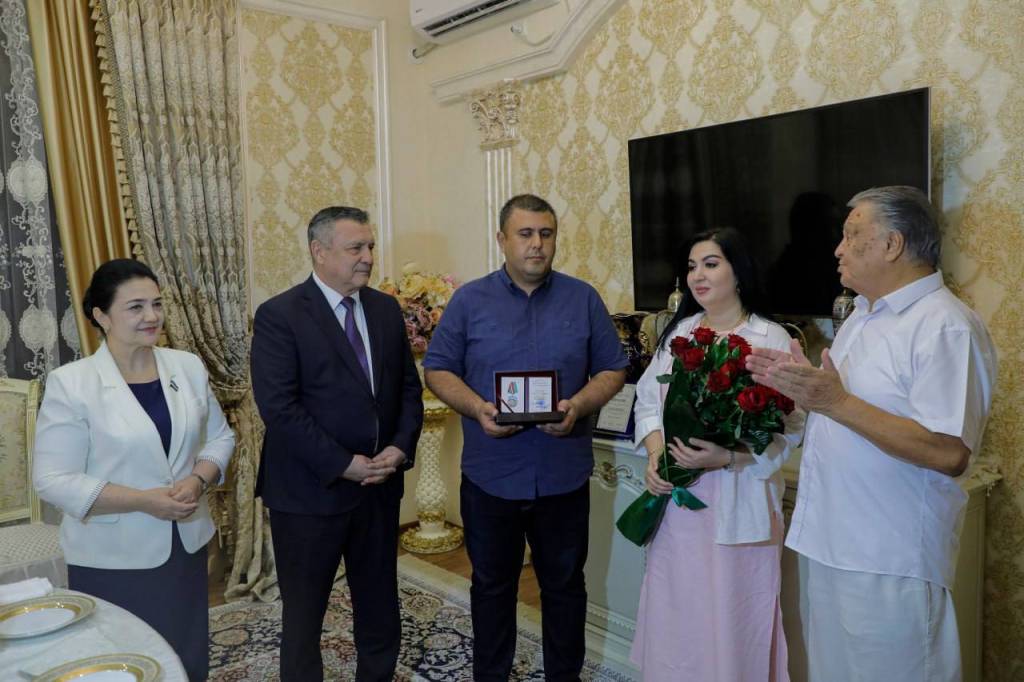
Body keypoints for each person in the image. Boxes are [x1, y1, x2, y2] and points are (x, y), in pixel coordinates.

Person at [747, 186, 998, 682]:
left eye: (850, 235)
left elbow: (949, 451)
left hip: (889, 559)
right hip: (831, 544)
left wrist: (834, 401)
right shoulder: (862, 313)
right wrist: (804, 387)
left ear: (892, 244)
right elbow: (847, 411)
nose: (837, 249)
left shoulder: (945, 326)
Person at [423, 193, 628, 681]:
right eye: (525, 234)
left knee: (564, 587)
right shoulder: (469, 301)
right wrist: (478, 408)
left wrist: (578, 405)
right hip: (491, 476)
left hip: (563, 476)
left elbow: (613, 369)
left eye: (546, 233)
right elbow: (438, 369)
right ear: (502, 239)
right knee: (492, 588)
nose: (537, 244)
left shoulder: (583, 298)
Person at [33, 259, 235, 681]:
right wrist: (144, 501)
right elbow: (52, 479)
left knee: (186, 655)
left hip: (185, 547)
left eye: (157, 304)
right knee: (123, 664)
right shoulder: (72, 383)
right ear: (101, 316)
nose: (152, 316)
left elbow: (220, 438)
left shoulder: (187, 366)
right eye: (136, 307)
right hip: (113, 556)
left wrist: (198, 479)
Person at [251, 206, 423, 682]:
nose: (368, 256)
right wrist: (343, 463)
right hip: (309, 494)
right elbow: (279, 408)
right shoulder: (280, 315)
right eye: (355, 248)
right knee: (304, 618)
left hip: (378, 489)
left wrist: (400, 448)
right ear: (319, 251)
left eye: (370, 246)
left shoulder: (385, 309)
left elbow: (408, 390)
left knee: (380, 608)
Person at [630, 227, 804, 681]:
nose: (698, 276)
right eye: (692, 267)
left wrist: (726, 458)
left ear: (738, 272)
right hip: (679, 507)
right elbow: (647, 401)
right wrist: (656, 456)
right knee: (678, 615)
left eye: (711, 264)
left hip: (740, 501)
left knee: (735, 619)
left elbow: (792, 427)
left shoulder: (770, 338)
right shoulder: (682, 333)